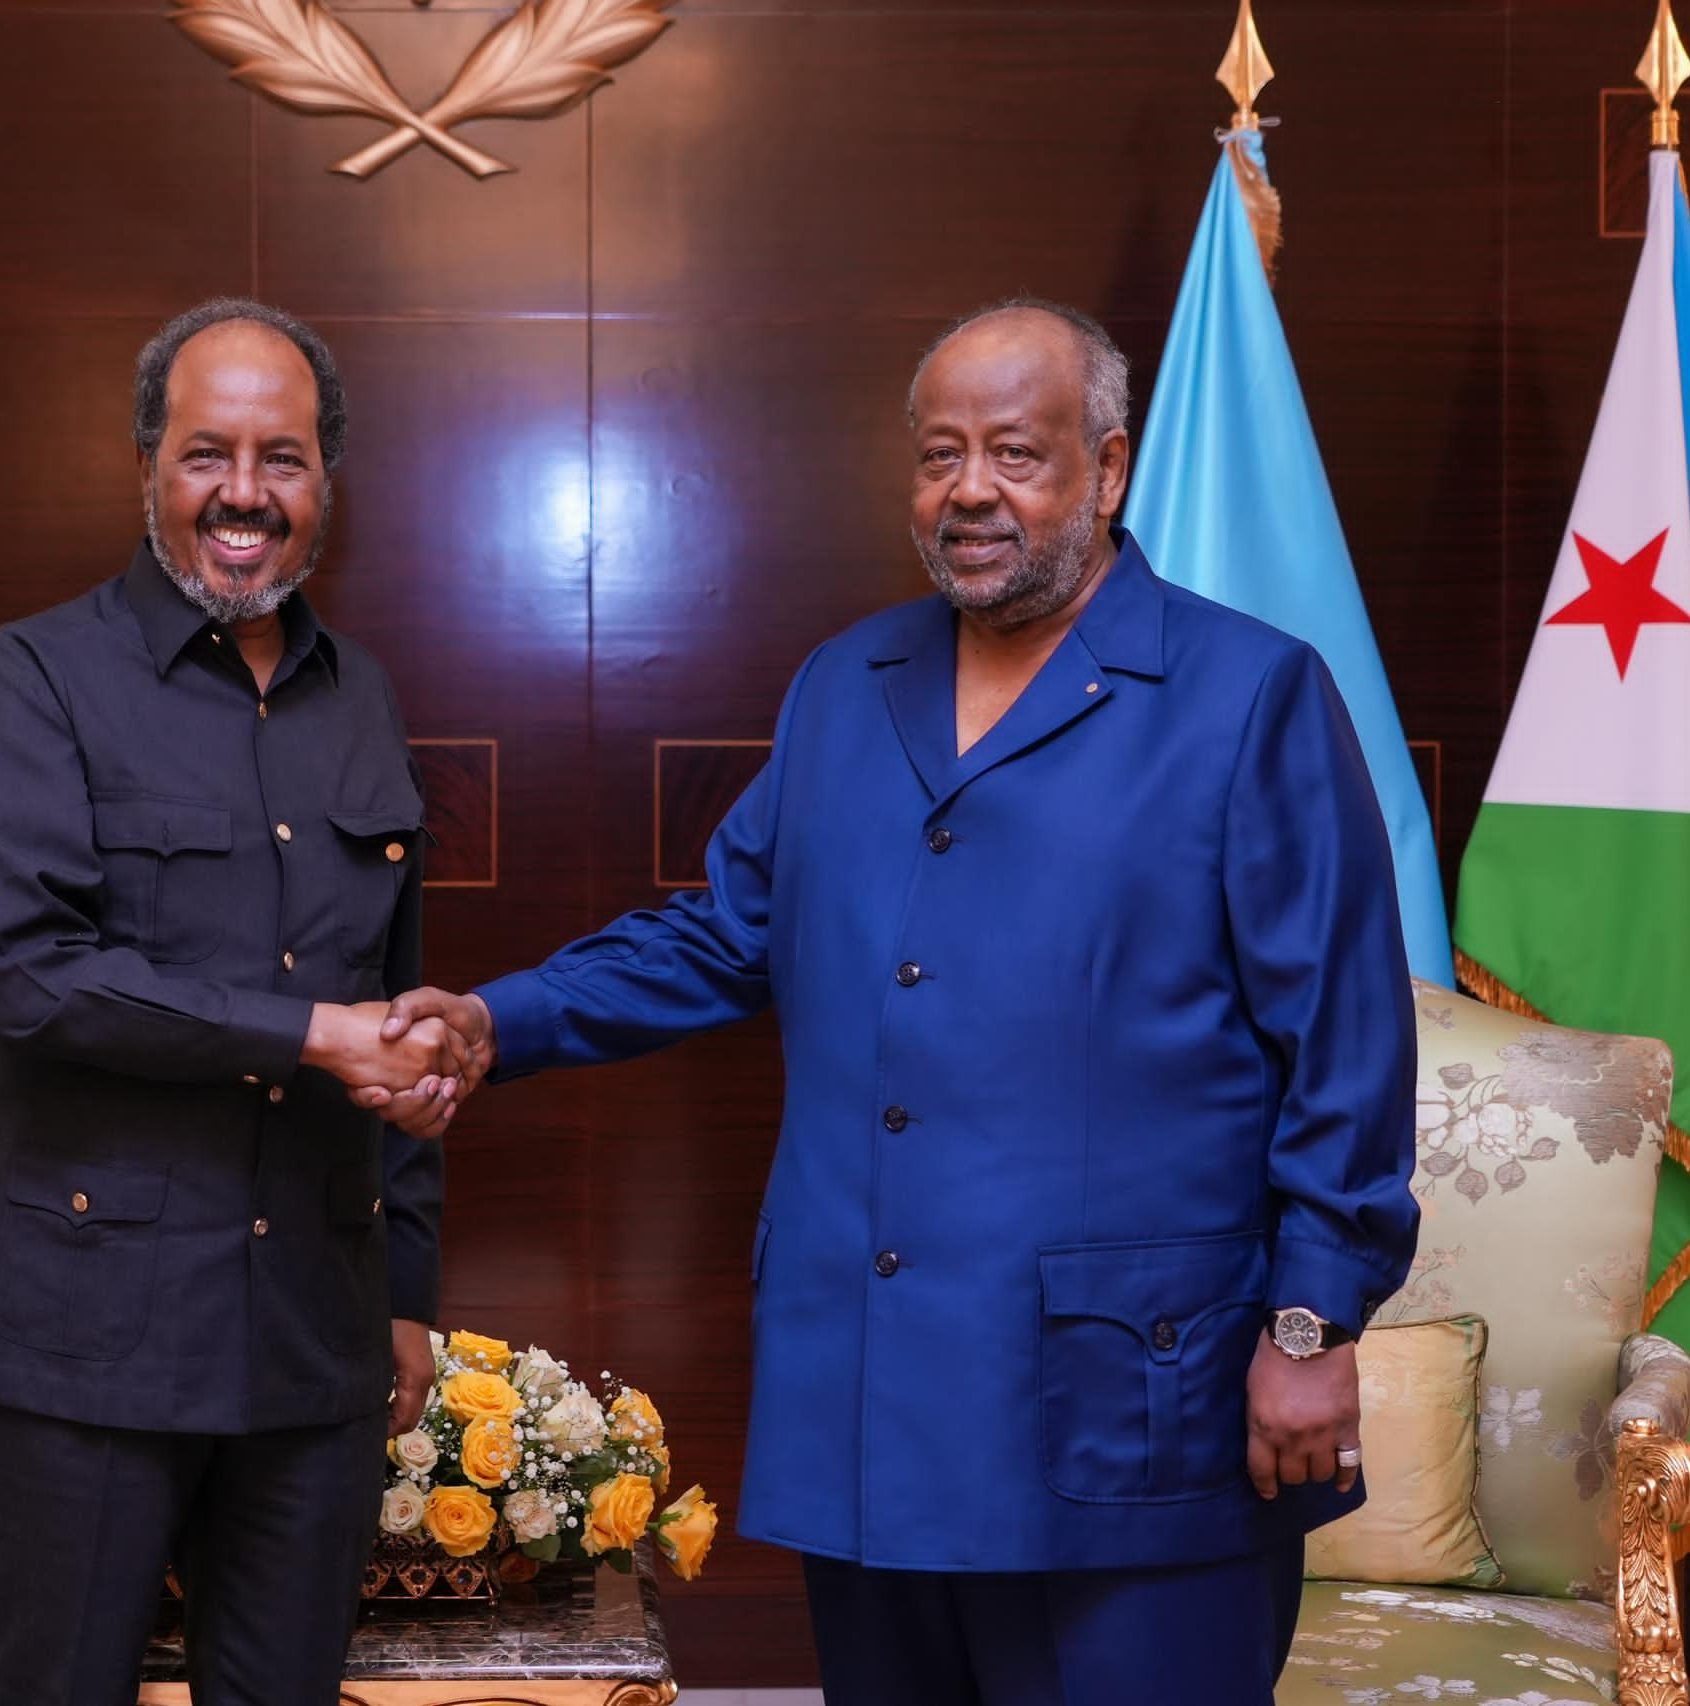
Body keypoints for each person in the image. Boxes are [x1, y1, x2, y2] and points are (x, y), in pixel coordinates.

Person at [374, 301, 1420, 1704]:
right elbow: (726, 933)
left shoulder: (1249, 697)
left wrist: (1313, 1323)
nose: (970, 489)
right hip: (873, 1396)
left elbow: (1347, 1040)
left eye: (1017, 452)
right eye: (939, 454)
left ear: (1108, 470)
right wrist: (502, 1022)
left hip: (1133, 1403)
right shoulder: (843, 683)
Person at [0, 298, 467, 1706]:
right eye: (210, 453)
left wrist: (404, 1292)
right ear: (149, 461)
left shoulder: (364, 697)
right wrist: (310, 1036)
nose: (245, 494)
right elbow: (35, 976)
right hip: (79, 1338)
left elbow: (389, 1005)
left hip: (308, 1335)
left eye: (284, 457)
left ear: (327, 482)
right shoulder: (37, 676)